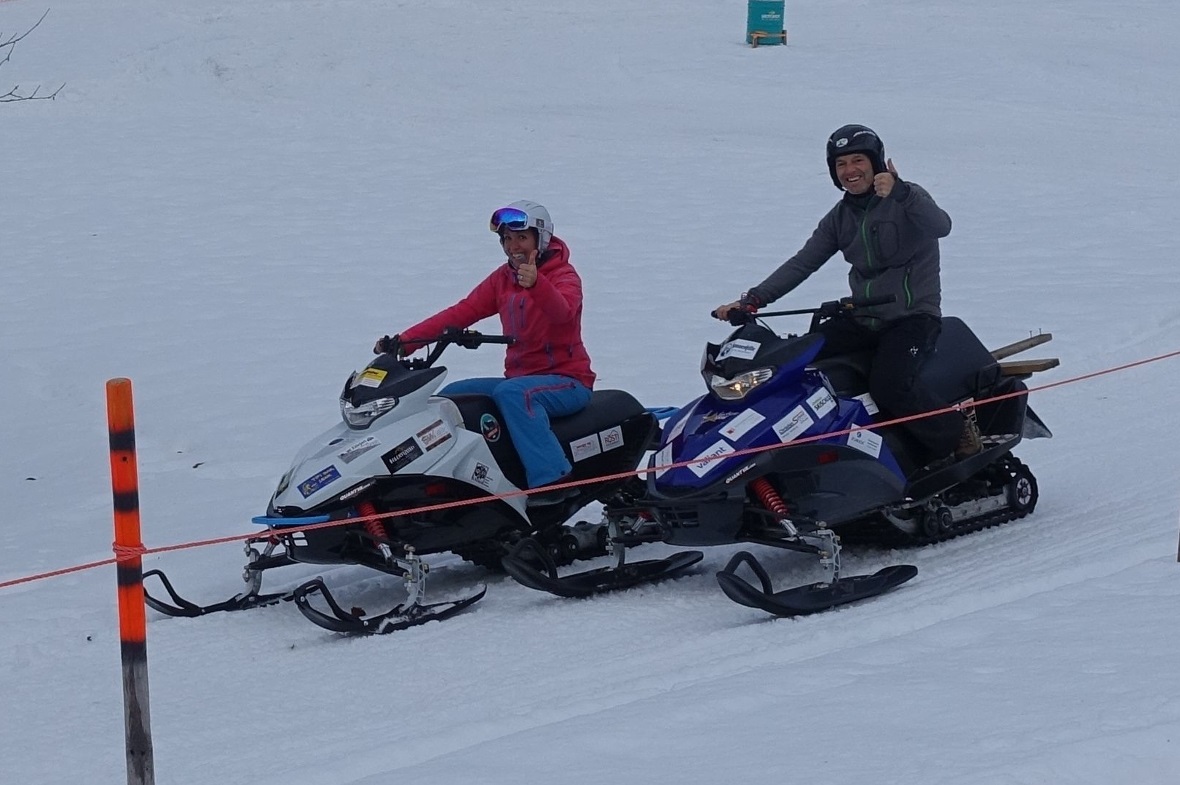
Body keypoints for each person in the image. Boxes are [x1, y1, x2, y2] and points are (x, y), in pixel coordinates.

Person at [713, 124, 982, 464]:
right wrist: (753, 299)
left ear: (876, 163)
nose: (849, 170)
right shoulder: (840, 217)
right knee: (795, 365)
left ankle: (956, 432)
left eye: (858, 160)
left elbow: (941, 226)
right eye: (841, 164)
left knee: (890, 386)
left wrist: (901, 192)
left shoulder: (907, 198)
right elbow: (803, 263)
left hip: (912, 318)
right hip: (863, 318)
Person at [376, 200, 595, 491]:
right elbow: (461, 312)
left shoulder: (563, 276)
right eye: (507, 238)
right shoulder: (503, 279)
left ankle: (553, 481)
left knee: (514, 394)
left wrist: (537, 285)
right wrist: (406, 342)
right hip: (520, 380)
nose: (513, 246)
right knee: (452, 396)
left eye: (521, 237)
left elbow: (563, 313)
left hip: (567, 382)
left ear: (541, 239)